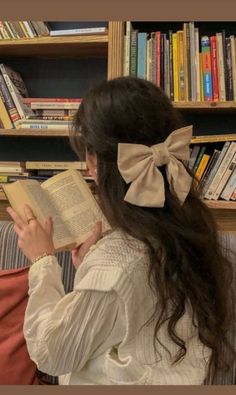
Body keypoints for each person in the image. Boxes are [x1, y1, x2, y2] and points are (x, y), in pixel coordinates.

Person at [7, 77, 234, 385]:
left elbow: (51, 353)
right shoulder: (191, 232)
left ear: (94, 161)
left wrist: (42, 260)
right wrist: (90, 265)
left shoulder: (115, 264)